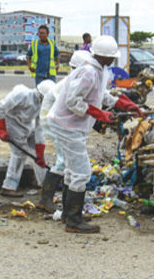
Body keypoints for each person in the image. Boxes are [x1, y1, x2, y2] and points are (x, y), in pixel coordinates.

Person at [46, 36, 142, 233]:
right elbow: (73, 101)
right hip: (67, 125)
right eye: (110, 58)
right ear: (101, 56)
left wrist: (127, 105)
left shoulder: (100, 70)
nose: (112, 61)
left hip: (71, 125)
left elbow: (102, 96)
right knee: (82, 172)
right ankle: (73, 220)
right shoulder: (88, 72)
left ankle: (69, 214)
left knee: (72, 171)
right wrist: (99, 114)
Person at [37, 50, 91, 213]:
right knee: (63, 160)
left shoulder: (75, 80)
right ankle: (46, 200)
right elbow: (72, 105)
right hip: (54, 123)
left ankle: (62, 205)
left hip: (58, 122)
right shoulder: (70, 83)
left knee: (68, 161)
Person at [0, 80, 56, 197]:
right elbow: (0, 107)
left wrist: (40, 152)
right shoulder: (22, 95)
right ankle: (8, 186)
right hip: (11, 124)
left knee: (38, 157)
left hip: (26, 125)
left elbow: (39, 128)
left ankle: (44, 184)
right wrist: (1, 128)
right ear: (41, 95)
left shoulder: (42, 105)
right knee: (19, 153)